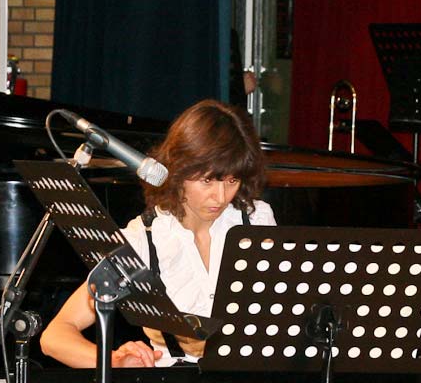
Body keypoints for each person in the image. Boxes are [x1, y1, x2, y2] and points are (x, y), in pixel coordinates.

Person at [40, 99, 276, 367]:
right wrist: (116, 361)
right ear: (179, 169)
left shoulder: (255, 219)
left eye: (232, 180)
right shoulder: (143, 237)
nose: (221, 197)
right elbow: (54, 336)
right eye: (207, 180)